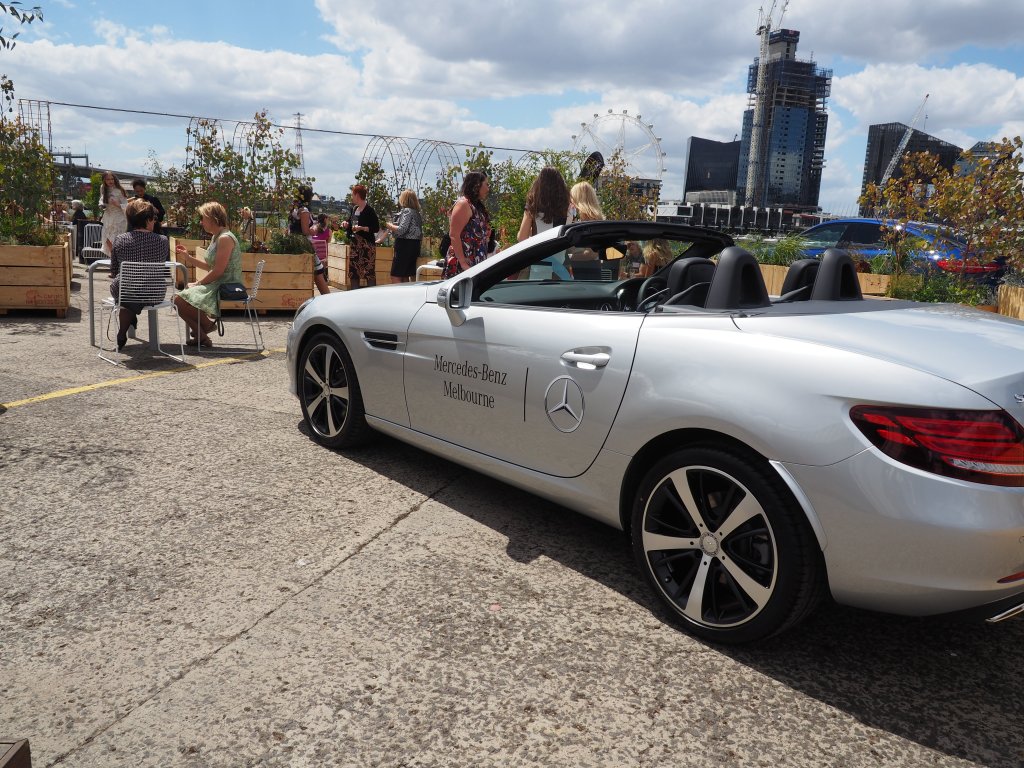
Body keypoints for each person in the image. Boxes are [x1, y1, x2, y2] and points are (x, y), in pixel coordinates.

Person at [172, 201, 243, 348]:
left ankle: (205, 329)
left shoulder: (225, 238)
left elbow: (218, 271)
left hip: (226, 283)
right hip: (218, 281)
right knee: (177, 300)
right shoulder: (216, 237)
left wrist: (198, 283)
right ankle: (202, 334)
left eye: (203, 218)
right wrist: (188, 258)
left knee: (178, 300)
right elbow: (211, 266)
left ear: (212, 219)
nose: (201, 222)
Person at [108, 199, 170, 351]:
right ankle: (131, 314)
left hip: (126, 291)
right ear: (148, 219)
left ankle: (125, 325)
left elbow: (114, 271)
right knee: (138, 290)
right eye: (154, 218)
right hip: (154, 292)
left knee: (127, 291)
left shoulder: (120, 240)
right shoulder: (162, 241)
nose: (155, 221)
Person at [443, 171, 492, 279]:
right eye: (486, 184)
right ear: (477, 185)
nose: (488, 189)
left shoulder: (476, 206)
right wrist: (463, 263)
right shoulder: (464, 204)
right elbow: (454, 235)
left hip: (474, 263)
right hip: (463, 265)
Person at [340, 184, 380, 288]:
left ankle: (372, 295)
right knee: (353, 272)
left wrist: (362, 228)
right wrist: (346, 224)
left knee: (369, 273)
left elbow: (376, 228)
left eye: (352, 195)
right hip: (355, 246)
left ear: (357, 195)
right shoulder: (354, 209)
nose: (351, 197)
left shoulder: (370, 210)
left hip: (367, 246)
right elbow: (350, 224)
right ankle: (354, 294)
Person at [516, 166, 570, 242]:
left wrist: (520, 233)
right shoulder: (568, 205)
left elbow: (522, 238)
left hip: (541, 248)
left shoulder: (533, 205)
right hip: (561, 248)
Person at [383, 189, 423, 283]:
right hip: (414, 245)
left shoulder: (407, 211)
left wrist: (388, 225)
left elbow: (402, 229)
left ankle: (398, 292)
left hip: (404, 245)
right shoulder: (416, 213)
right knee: (405, 275)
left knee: (395, 275)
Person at [565, 181, 605, 274]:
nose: (570, 201)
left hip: (586, 272)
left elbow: (590, 254)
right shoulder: (593, 220)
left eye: (572, 197)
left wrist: (567, 258)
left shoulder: (591, 222)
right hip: (588, 270)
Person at [99, 171, 129, 255]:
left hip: (119, 218)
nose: (110, 181)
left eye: (112, 179)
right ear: (104, 180)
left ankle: (117, 258)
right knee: (107, 238)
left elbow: (127, 205)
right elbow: (102, 199)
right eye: (108, 179)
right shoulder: (102, 188)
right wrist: (102, 205)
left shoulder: (119, 189)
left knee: (117, 240)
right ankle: (113, 258)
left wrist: (118, 204)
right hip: (108, 217)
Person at [308, 213, 332, 295]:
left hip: (314, 252)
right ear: (325, 219)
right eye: (328, 219)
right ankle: (324, 282)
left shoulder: (313, 228)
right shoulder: (328, 231)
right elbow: (328, 243)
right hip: (323, 254)